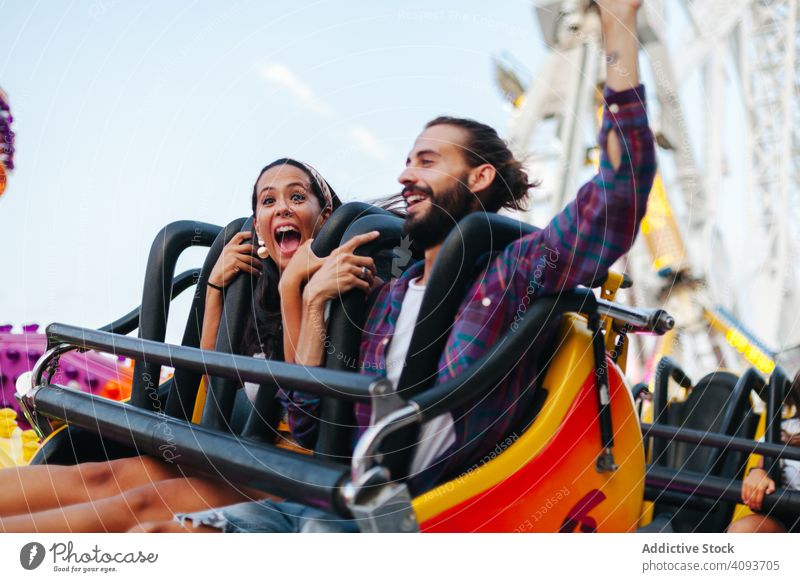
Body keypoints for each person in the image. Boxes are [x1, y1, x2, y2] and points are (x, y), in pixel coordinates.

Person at [142, 0, 656, 533]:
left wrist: (620, 24)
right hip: (328, 496)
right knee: (156, 537)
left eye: (427, 161)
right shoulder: (388, 296)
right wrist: (308, 298)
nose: (405, 175)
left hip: (406, 518)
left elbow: (620, 197)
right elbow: (311, 424)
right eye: (408, 160)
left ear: (478, 178)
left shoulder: (514, 273)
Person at [0, 159, 377, 532]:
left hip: (299, 473)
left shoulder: (351, 291)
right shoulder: (254, 297)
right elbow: (211, 391)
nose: (281, 207)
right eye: (267, 200)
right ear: (259, 226)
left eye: (297, 196)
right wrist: (214, 290)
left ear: (325, 213)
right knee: (100, 478)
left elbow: (304, 414)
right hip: (241, 453)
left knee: (138, 504)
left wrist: (297, 290)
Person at [728, 372, 800, 533]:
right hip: (786, 518)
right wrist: (758, 474)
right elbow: (763, 467)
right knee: (744, 530)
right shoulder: (784, 429)